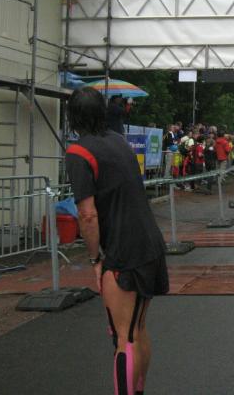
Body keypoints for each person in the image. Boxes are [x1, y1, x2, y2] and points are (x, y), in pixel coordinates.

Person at [65, 87, 169, 395]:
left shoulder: (78, 152)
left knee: (124, 338)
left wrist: (95, 259)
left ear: (73, 116)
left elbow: (88, 215)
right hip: (150, 243)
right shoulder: (120, 142)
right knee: (138, 328)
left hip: (123, 251)